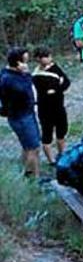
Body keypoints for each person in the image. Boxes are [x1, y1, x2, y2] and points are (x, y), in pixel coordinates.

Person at [0, 48, 41, 178]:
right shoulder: (10, 79)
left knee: (27, 146)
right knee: (33, 149)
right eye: (25, 61)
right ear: (18, 63)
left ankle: (26, 172)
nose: (27, 64)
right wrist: (27, 73)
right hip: (21, 117)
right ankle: (36, 177)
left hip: (25, 114)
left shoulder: (10, 74)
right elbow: (25, 88)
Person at [31, 47, 71, 165]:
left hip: (58, 105)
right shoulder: (36, 74)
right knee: (47, 133)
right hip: (44, 108)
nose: (49, 59)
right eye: (45, 57)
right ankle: (51, 160)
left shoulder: (55, 68)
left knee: (61, 131)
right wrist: (52, 89)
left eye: (49, 56)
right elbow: (39, 91)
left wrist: (56, 89)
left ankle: (62, 154)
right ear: (38, 59)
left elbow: (66, 82)